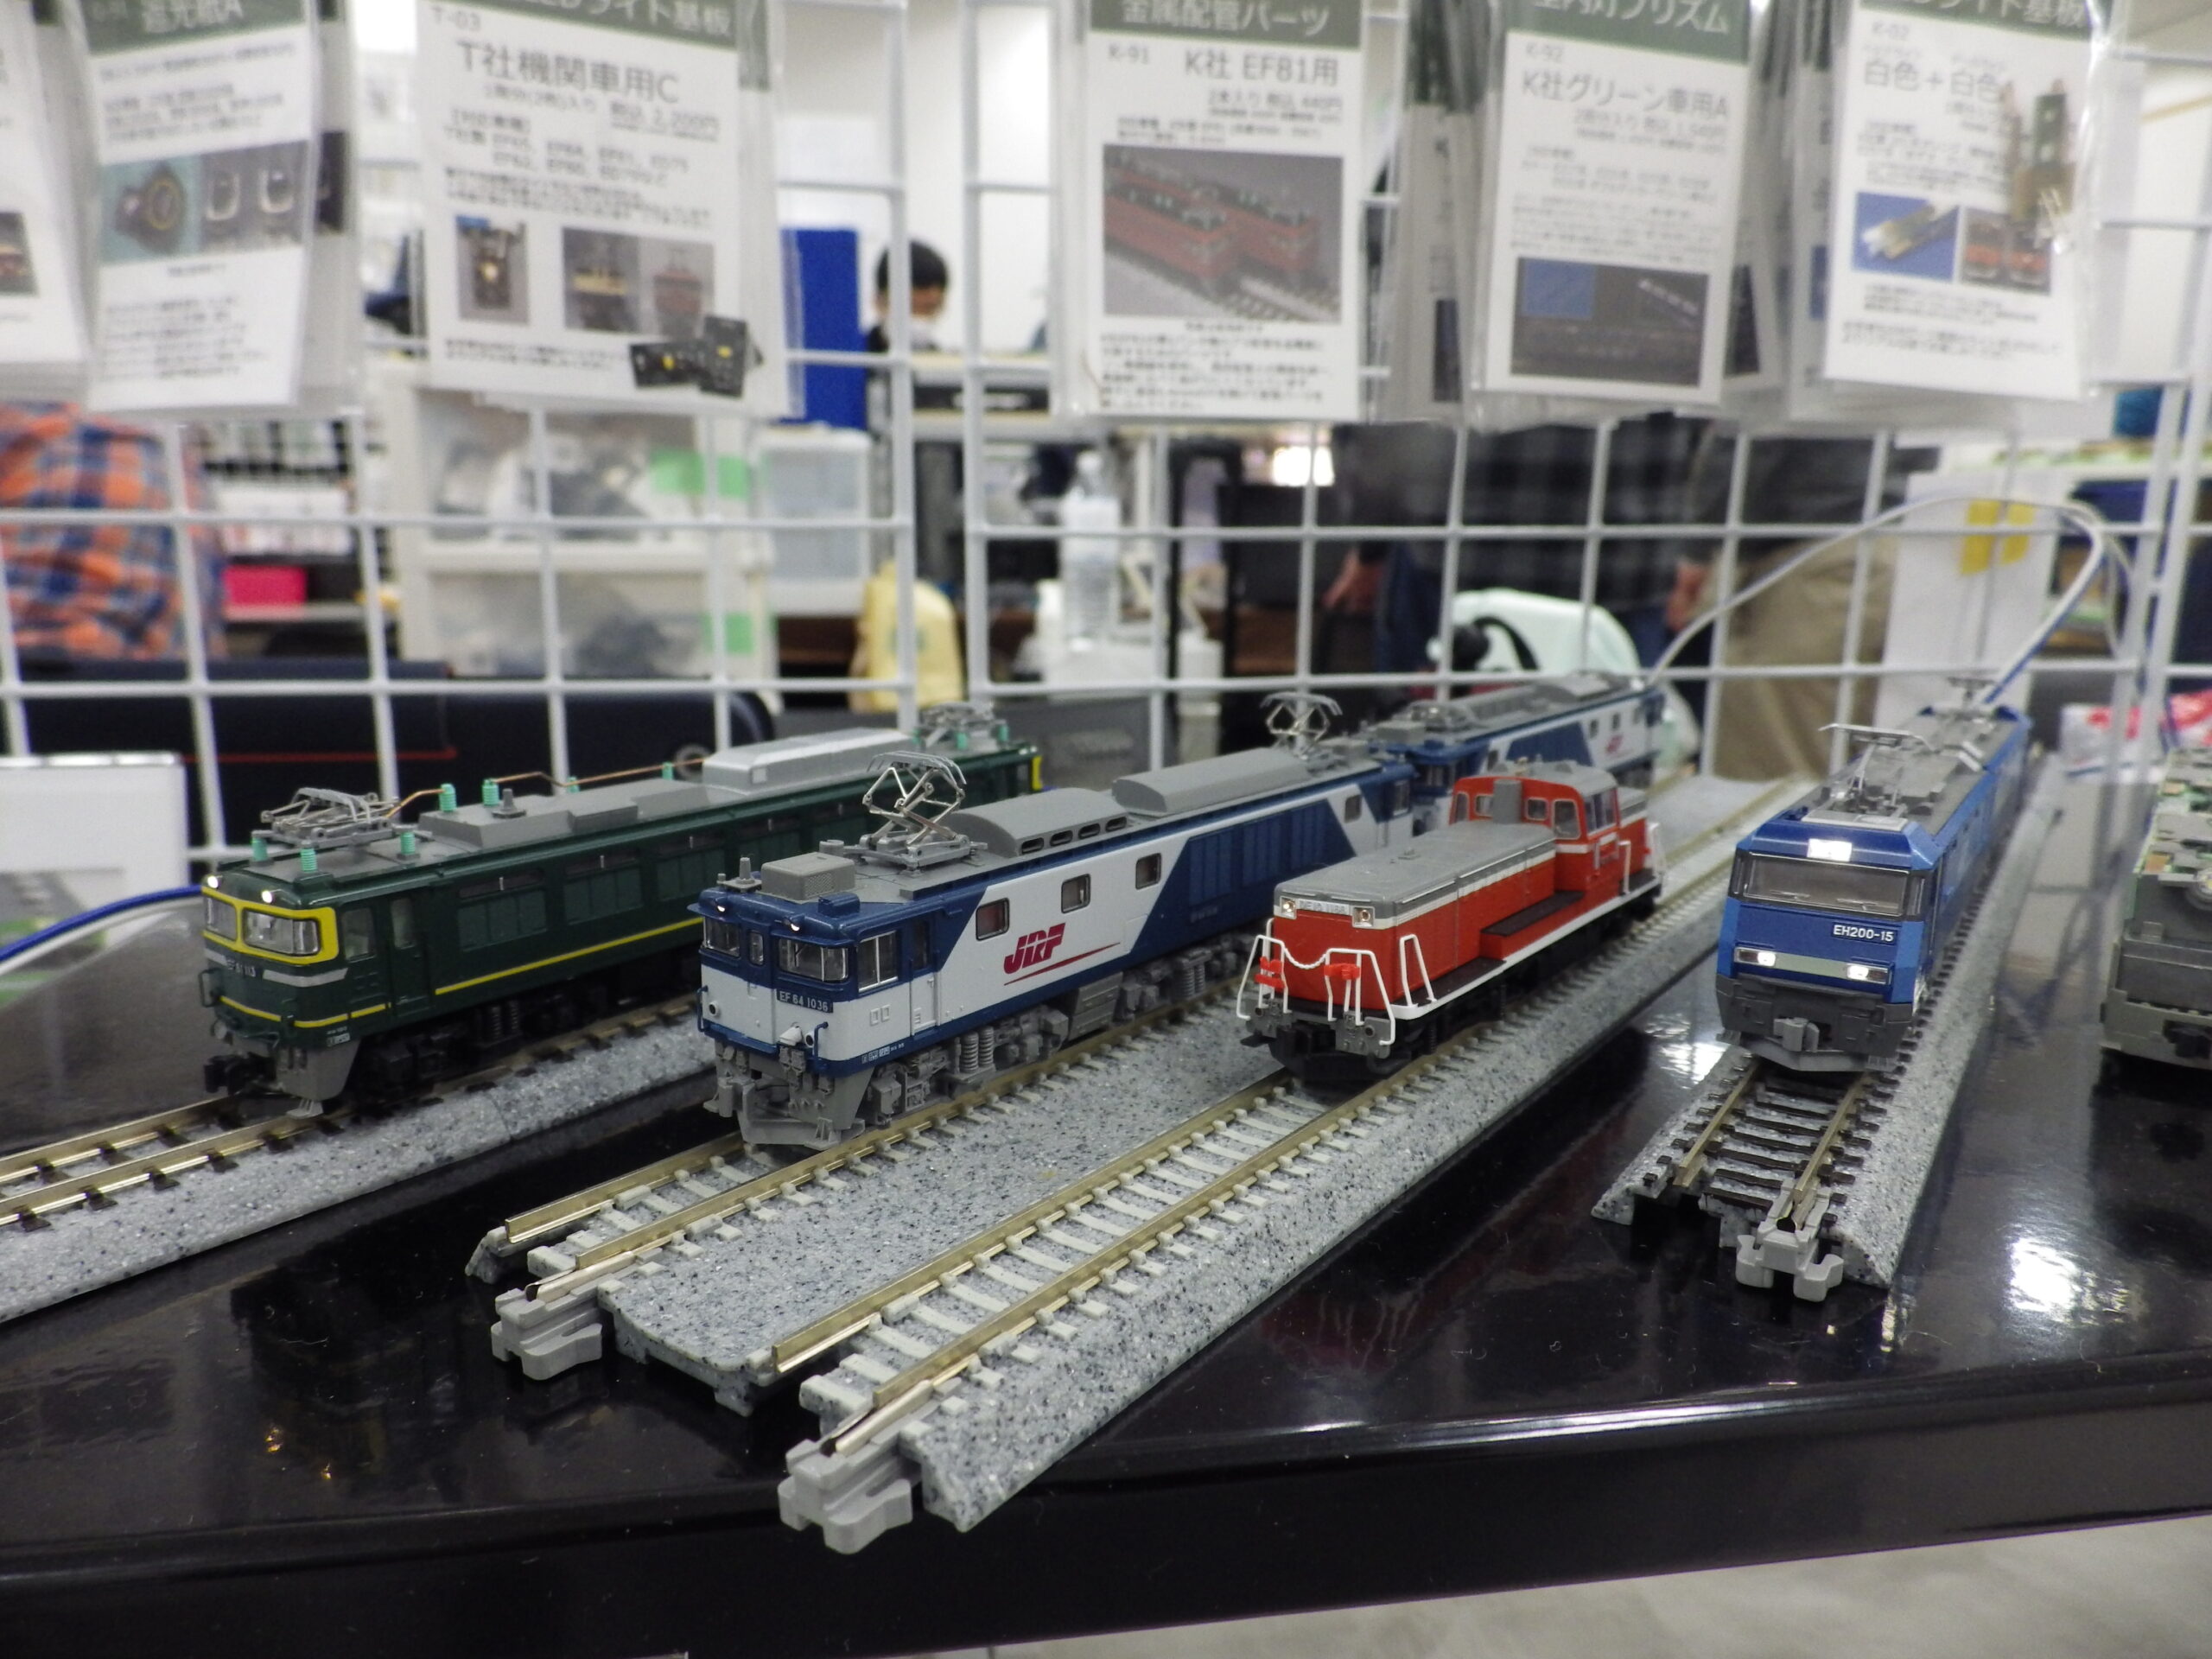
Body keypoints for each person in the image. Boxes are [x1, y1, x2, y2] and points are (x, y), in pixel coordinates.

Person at [1321, 416, 1706, 676]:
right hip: (1628, 549)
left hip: (1452, 546)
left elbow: (1379, 413)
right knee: (1622, 744)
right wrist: (1697, 547)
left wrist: (1371, 541)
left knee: (1424, 741)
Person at [1663, 433, 1935, 779]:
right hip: (1870, 539)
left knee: (1779, 747)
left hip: (1812, 547)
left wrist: (1699, 549)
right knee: (1829, 732)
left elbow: (1755, 430)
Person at [0, 403, 223, 659]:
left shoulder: (61, 440)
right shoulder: (91, 441)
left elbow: (51, 650)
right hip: (135, 671)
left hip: (55, 669)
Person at [863, 239, 949, 354]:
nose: (921, 319)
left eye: (930, 308)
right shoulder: (850, 355)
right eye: (912, 307)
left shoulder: (942, 361)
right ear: (878, 301)